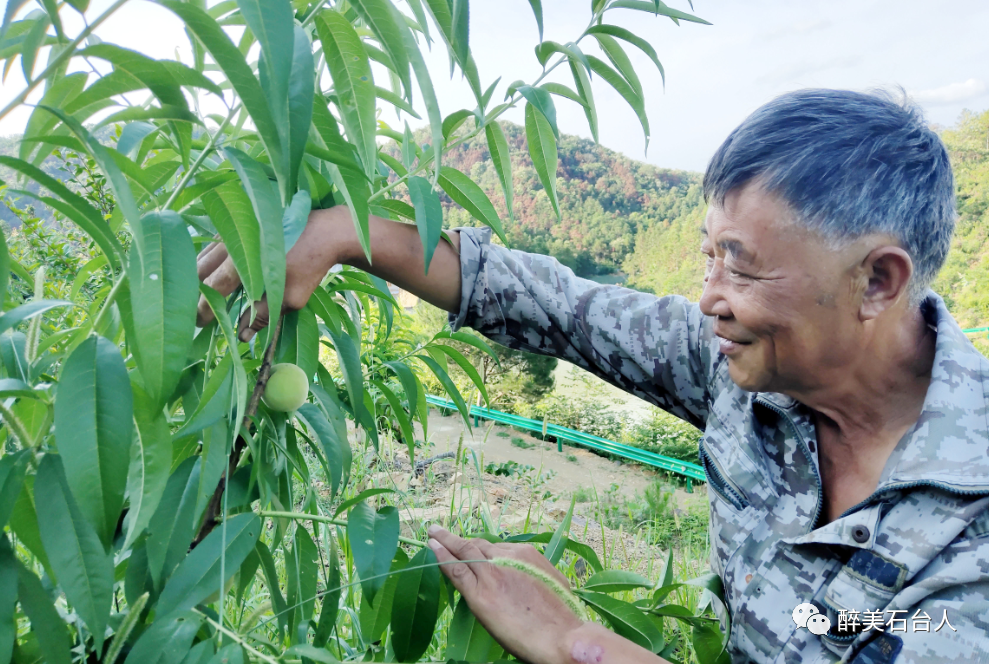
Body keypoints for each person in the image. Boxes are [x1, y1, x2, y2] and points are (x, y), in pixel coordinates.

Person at [196, 89, 989, 663]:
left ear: (878, 282)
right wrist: (349, 234)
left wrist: (573, 641)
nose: (709, 298)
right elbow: (559, 308)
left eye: (741, 268)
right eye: (709, 254)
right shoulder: (748, 371)